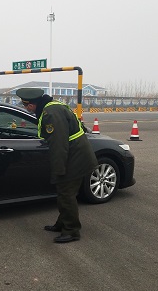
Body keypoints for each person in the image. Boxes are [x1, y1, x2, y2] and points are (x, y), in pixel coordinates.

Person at [16, 87, 98, 243]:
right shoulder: (51, 106)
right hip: (75, 153)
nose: (27, 110)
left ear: (31, 105)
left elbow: (59, 145)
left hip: (74, 157)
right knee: (63, 194)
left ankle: (72, 230)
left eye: (26, 106)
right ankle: (62, 223)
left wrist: (58, 170)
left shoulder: (50, 114)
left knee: (66, 194)